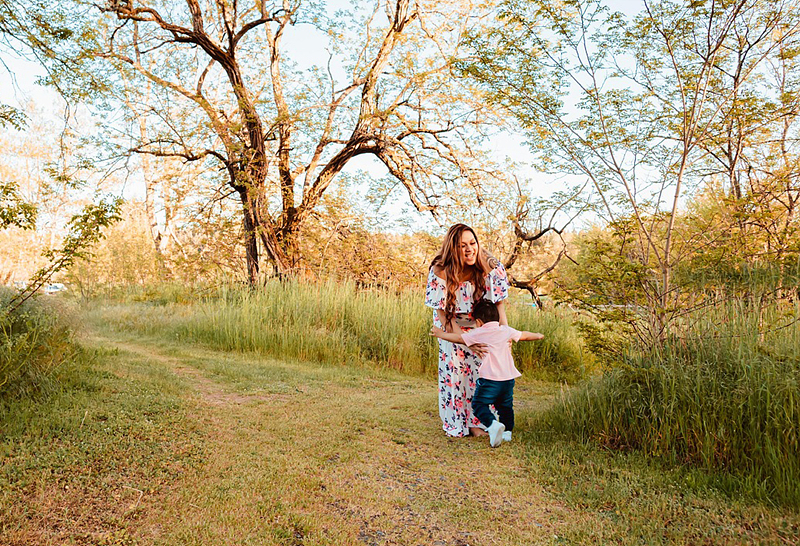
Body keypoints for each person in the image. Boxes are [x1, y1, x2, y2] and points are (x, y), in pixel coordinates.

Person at [425, 224, 510, 438]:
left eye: (472, 243)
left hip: (479, 324)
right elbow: (443, 313)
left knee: (480, 370)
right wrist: (464, 340)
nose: (469, 249)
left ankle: (478, 422)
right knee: (456, 369)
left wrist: (503, 333)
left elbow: (498, 304)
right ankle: (457, 422)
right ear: (454, 249)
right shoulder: (440, 269)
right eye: (463, 246)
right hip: (450, 324)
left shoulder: (489, 265)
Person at [430, 299, 544, 447]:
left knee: (478, 404)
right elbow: (524, 335)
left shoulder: (480, 333)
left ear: (478, 321)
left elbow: (459, 338)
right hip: (508, 379)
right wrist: (537, 335)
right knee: (505, 406)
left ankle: (492, 425)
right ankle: (507, 432)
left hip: (490, 379)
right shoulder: (505, 330)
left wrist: (440, 334)